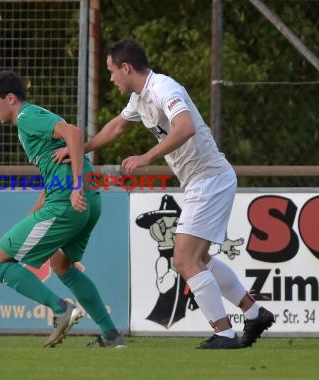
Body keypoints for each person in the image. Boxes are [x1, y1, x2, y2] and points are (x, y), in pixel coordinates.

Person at [54, 39, 274, 349]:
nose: (112, 78)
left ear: (126, 68)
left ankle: (224, 334)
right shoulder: (139, 98)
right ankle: (255, 313)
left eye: (112, 71)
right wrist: (81, 148)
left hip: (210, 179)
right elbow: (117, 127)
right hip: (203, 181)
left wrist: (146, 157)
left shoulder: (163, 89)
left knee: (184, 259)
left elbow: (185, 127)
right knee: (199, 259)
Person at [0, 70, 125, 348]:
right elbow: (55, 167)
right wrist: (37, 210)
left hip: (69, 202)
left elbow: (73, 132)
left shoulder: (26, 117)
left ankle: (61, 309)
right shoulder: (31, 121)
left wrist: (75, 186)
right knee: (62, 264)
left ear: (10, 98)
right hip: (88, 200)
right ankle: (111, 335)